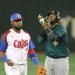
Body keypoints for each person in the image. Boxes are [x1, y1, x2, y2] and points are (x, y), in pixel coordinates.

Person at [37, 10, 69, 75]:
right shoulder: (47, 29)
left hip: (61, 60)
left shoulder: (61, 28)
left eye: (53, 15)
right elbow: (39, 40)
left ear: (57, 18)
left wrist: (45, 26)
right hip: (48, 59)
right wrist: (45, 28)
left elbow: (53, 38)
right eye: (49, 15)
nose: (50, 16)